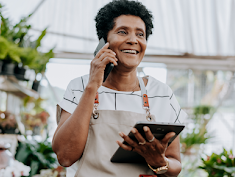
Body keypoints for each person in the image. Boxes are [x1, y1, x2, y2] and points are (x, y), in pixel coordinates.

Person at [52, 0, 187, 176]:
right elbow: (65, 156)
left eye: (140, 34)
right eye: (122, 32)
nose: (133, 40)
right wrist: (93, 86)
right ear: (103, 41)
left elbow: (175, 164)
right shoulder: (80, 87)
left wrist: (160, 162)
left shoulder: (162, 94)